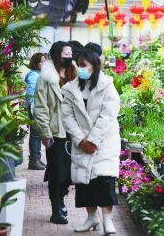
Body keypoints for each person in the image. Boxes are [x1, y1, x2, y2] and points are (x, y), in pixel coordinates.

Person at [61, 48, 120, 234]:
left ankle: (107, 221)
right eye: (78, 65)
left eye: (84, 66)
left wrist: (93, 140)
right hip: (82, 143)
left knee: (104, 181)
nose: (80, 69)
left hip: (104, 143)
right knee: (85, 184)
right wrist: (81, 140)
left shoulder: (107, 86)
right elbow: (67, 116)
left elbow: (108, 115)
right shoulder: (71, 89)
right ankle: (92, 218)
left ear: (94, 66)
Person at [33, 41, 77, 225]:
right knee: (56, 172)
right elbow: (40, 107)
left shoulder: (73, 72)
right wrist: (45, 132)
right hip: (55, 132)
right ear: (57, 54)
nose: (69, 57)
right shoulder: (46, 77)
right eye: (65, 54)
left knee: (69, 173)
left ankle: (61, 200)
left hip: (74, 131)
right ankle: (56, 208)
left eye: (70, 54)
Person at [25, 53, 46, 170]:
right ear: (36, 63)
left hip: (37, 108)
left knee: (37, 135)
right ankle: (34, 160)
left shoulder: (38, 74)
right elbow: (31, 95)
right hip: (35, 108)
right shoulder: (34, 75)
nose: (44, 64)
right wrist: (33, 110)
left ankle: (37, 158)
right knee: (35, 135)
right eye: (41, 61)